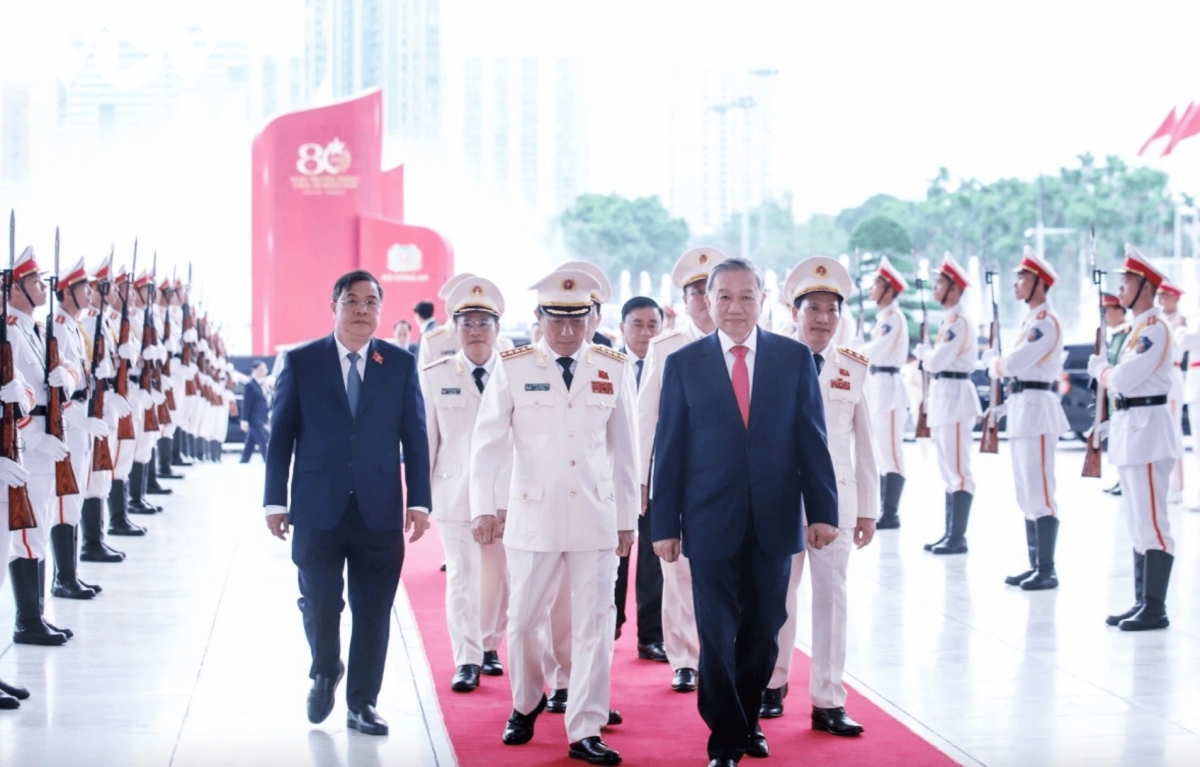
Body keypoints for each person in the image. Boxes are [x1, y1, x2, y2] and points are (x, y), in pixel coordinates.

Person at [651, 257, 840, 767]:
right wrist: (664, 524)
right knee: (714, 633)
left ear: (763, 300)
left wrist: (823, 511)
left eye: (746, 296)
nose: (735, 307)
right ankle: (728, 740)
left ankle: (750, 716)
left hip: (775, 521)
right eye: (724, 297)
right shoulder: (684, 363)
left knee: (763, 630)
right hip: (708, 521)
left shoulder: (793, 358)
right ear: (707, 302)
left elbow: (813, 442)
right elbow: (668, 449)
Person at [470, 268, 636, 766]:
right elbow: (488, 442)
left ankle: (585, 726)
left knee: (593, 624)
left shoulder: (614, 367)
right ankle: (525, 703)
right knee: (521, 622)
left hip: (595, 515)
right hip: (533, 515)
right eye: (556, 320)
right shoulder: (514, 366)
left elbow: (626, 452)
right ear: (538, 319)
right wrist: (483, 505)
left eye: (578, 320)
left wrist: (628, 517)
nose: (567, 331)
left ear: (592, 319)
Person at [264, 269, 432, 736]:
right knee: (319, 603)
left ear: (381, 309)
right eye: (352, 301)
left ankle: (363, 702)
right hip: (317, 507)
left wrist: (419, 500)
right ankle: (324, 668)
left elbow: (415, 438)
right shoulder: (301, 362)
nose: (362, 310)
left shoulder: (398, 362)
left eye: (371, 302)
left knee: (374, 610)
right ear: (334, 306)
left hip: (379, 510)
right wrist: (274, 501)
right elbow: (280, 439)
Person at [762, 257, 877, 736]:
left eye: (832, 309)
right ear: (795, 311)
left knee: (832, 598)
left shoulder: (852, 367)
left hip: (838, 503)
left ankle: (828, 700)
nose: (823, 319)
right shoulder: (772, 361)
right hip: (783, 501)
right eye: (814, 308)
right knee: (778, 596)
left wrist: (870, 509)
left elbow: (866, 443)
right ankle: (772, 684)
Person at [638, 246, 725, 694]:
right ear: (686, 299)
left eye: (712, 291)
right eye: (696, 293)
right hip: (679, 478)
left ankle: (720, 650)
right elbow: (646, 416)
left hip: (729, 481)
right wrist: (640, 480)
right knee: (677, 570)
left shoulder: (745, 342)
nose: (705, 301)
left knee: (727, 569)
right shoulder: (665, 346)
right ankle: (685, 658)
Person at [421, 276, 510, 694]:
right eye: (467, 323)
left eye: (483, 323)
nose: (475, 331)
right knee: (461, 575)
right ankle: (467, 658)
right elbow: (428, 439)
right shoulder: (437, 375)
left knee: (499, 576)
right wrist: (419, 500)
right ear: (454, 329)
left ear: (497, 327)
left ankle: (490, 644)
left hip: (506, 492)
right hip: (455, 492)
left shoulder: (516, 371)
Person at [1088, 246, 1180, 632]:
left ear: (1145, 286)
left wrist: (1103, 370)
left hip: (1149, 433)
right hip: (1132, 429)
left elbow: (1124, 379)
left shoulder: (1155, 330)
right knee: (1138, 523)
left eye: (1127, 281)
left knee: (1153, 523)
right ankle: (1143, 600)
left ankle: (1155, 607)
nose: (1120, 288)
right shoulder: (1135, 331)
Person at [984, 247, 1068, 591]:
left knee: (1041, 491)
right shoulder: (1032, 321)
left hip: (1038, 411)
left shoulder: (1046, 324)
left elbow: (1014, 364)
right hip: (1022, 409)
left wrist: (994, 362)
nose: (1016, 282)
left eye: (1023, 277)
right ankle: (1036, 564)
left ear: (1040, 283)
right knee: (1025, 491)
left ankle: (1047, 569)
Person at [7, 247, 78, 645]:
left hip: (45, 441)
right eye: (34, 281)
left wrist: (64, 381)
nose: (42, 287)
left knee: (41, 523)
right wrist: (33, 436)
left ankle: (37, 616)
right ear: (15, 288)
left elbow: (53, 383)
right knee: (27, 534)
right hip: (27, 444)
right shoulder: (11, 331)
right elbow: (15, 398)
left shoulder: (33, 330)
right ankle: (26, 621)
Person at [49, 257, 112, 600]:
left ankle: (71, 574)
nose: (90, 294)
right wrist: (78, 418)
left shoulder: (74, 327)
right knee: (63, 504)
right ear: (68, 292)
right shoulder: (58, 326)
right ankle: (63, 578)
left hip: (81, 426)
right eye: (84, 288)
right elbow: (56, 390)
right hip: (68, 428)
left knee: (72, 503)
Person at [917, 253, 981, 555]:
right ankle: (950, 533)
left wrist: (925, 355)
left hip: (956, 396)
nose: (934, 287)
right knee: (947, 469)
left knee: (959, 469)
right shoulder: (950, 321)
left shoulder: (959, 322)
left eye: (940, 282)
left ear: (954, 288)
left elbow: (937, 360)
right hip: (946, 396)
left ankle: (959, 537)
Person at [612, 295, 664, 658]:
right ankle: (609, 625)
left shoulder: (671, 365)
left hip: (658, 477)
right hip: (615, 478)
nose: (645, 333)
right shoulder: (608, 366)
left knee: (654, 561)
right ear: (622, 328)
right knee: (614, 555)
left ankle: (651, 635)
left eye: (652, 325)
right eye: (637, 325)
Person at [861, 255, 909, 530]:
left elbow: (875, 352)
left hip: (890, 389)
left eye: (877, 283)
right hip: (879, 387)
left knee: (892, 452)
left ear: (889, 289)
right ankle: (885, 510)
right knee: (882, 451)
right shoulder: (884, 318)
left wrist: (855, 351)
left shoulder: (893, 319)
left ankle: (891, 513)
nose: (872, 287)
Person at [1157, 283, 1186, 503]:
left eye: (1165, 297)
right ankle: (1164, 481)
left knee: (1173, 430)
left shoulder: (1179, 322)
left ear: (1175, 298)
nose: (1161, 301)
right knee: (1162, 431)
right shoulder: (1159, 320)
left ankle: (1177, 484)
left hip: (1173, 377)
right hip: (1160, 378)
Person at [1102, 293, 1130, 497]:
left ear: (1120, 311)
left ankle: (1124, 480)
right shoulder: (1115, 335)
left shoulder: (1127, 334)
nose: (1105, 316)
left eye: (1108, 311)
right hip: (1113, 395)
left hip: (1122, 394)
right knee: (1117, 440)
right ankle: (1120, 478)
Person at [239, 361, 270, 463]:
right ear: (254, 370)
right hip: (254, 419)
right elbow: (246, 404)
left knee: (250, 442)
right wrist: (244, 421)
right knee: (263, 441)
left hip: (262, 418)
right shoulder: (250, 385)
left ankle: (244, 460)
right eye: (261, 370)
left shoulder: (263, 384)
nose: (263, 372)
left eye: (264, 370)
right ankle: (268, 460)